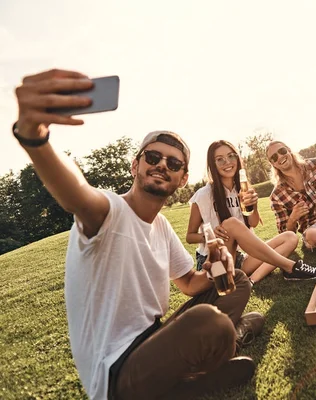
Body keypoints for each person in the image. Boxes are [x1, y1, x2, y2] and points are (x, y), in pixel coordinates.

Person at [13, 69, 265, 400]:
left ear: (181, 178)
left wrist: (218, 267)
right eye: (153, 157)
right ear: (136, 165)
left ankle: (195, 373)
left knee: (240, 284)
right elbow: (74, 192)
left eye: (173, 164)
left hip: (151, 341)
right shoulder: (107, 210)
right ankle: (210, 359)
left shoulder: (160, 227)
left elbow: (189, 283)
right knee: (211, 324)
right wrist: (35, 137)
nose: (162, 165)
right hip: (117, 376)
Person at [187, 140, 316, 282]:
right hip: (214, 266)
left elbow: (253, 223)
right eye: (219, 159)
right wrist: (210, 236)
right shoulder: (204, 195)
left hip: (237, 260)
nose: (227, 162)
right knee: (231, 224)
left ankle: (252, 280)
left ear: (237, 158)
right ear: (212, 164)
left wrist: (254, 206)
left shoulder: (243, 189)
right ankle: (291, 267)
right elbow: (189, 237)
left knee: (290, 237)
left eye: (231, 156)